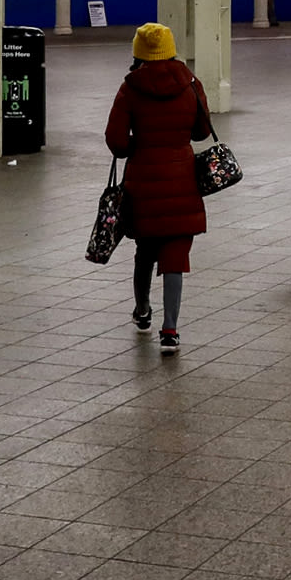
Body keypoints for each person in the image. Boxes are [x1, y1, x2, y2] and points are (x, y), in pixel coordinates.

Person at [104, 21, 212, 353]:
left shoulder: (130, 88)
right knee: (175, 257)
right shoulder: (190, 83)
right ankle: (171, 329)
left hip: (144, 184)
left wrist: (141, 143)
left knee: (145, 253)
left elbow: (117, 142)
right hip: (182, 181)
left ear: (138, 52)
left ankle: (142, 310)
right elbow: (202, 131)